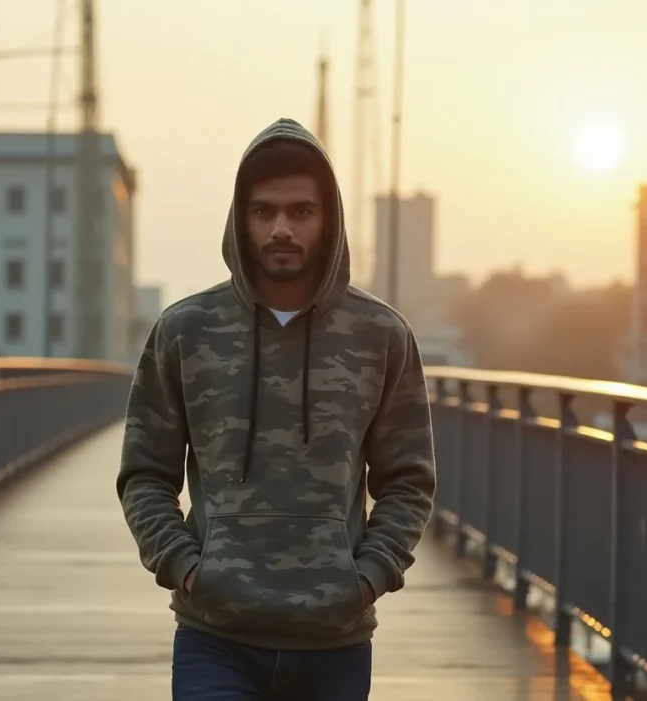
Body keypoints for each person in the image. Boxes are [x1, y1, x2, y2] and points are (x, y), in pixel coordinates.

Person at [116, 117, 436, 701]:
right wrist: (187, 567)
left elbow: (409, 480)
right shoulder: (185, 331)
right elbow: (143, 474)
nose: (281, 228)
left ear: (328, 220)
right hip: (216, 636)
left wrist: (367, 578)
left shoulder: (381, 335)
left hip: (335, 641)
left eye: (300, 212)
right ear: (241, 220)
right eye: (263, 212)